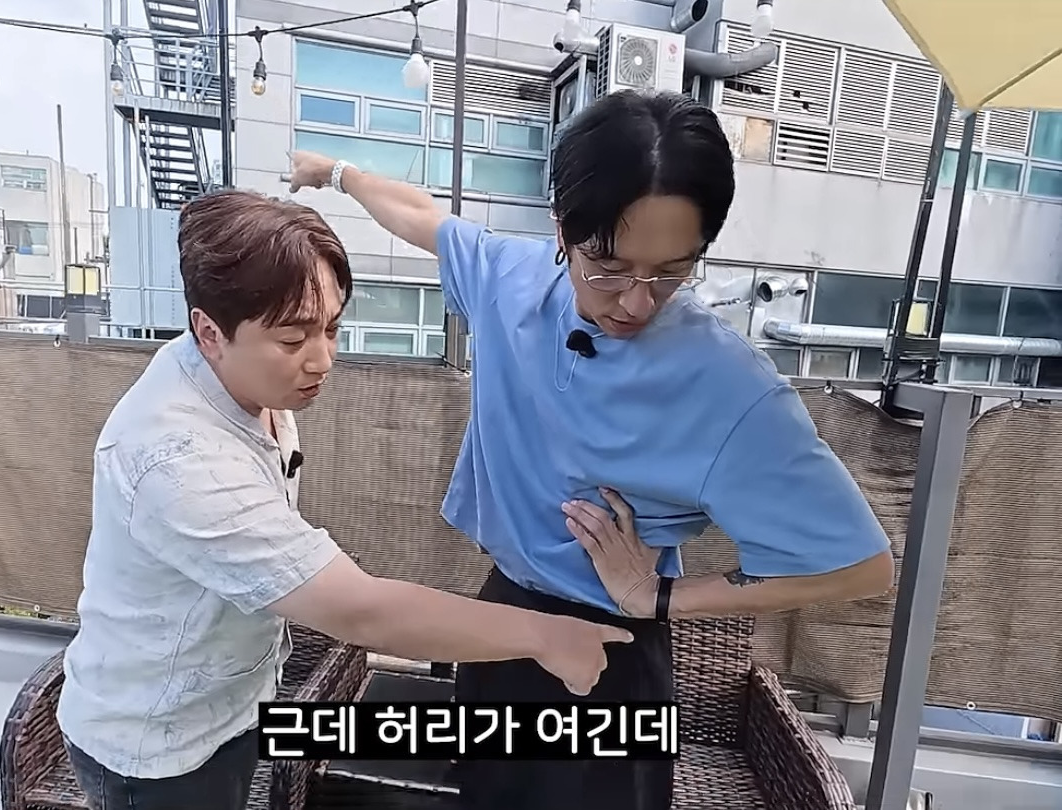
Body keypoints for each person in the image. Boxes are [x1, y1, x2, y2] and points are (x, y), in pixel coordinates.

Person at [288, 89, 896, 810]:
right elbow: (421, 217)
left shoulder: (729, 387)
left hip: (610, 655)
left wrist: (661, 596)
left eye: (671, 270)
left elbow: (857, 565)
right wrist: (337, 174)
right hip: (500, 623)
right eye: (608, 265)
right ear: (562, 231)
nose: (636, 300)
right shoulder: (513, 277)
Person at [55, 191, 635, 810]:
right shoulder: (177, 459)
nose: (323, 359)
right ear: (209, 332)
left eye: (330, 327)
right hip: (156, 748)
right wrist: (546, 636)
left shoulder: (239, 375)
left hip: (229, 701)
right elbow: (360, 612)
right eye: (292, 339)